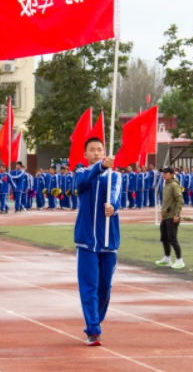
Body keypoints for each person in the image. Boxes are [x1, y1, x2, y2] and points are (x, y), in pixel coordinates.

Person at [73, 137, 121, 347]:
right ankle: (93, 328)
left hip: (109, 240)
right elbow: (81, 184)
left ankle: (96, 319)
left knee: (104, 287)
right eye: (91, 150)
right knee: (89, 286)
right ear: (85, 154)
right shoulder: (82, 173)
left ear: (105, 152)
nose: (96, 152)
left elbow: (116, 196)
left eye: (99, 150)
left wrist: (113, 207)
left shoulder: (116, 176)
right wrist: (99, 167)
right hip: (86, 241)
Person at [155, 166, 185, 269]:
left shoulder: (174, 185)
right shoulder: (166, 184)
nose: (163, 174)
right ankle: (167, 258)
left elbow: (180, 200)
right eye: (163, 173)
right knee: (164, 238)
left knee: (172, 238)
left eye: (166, 173)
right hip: (165, 216)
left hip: (172, 216)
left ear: (172, 174)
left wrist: (177, 214)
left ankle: (179, 260)